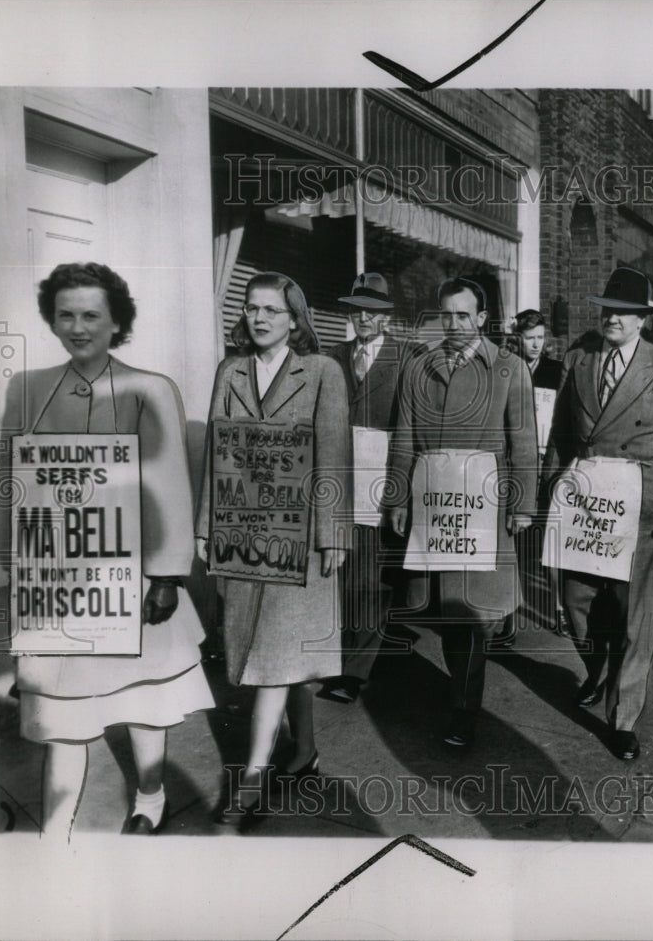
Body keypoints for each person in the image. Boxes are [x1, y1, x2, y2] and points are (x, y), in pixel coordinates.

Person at [2, 262, 214, 839]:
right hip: (57, 579)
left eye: (91, 314)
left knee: (144, 697)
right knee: (61, 708)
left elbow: (171, 480)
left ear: (117, 321)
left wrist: (167, 574)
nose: (77, 326)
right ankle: (54, 830)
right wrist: (15, 566)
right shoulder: (27, 389)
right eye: (65, 314)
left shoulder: (149, 388)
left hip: (135, 577)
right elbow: (10, 484)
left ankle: (151, 793)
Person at [195, 271, 350, 830]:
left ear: (294, 319)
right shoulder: (229, 371)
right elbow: (216, 449)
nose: (259, 318)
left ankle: (254, 776)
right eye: (251, 308)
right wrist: (206, 524)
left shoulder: (323, 372)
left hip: (301, 537)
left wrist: (334, 532)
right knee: (275, 654)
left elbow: (334, 454)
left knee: (273, 657)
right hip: (241, 533)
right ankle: (304, 750)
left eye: (270, 310)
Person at [545, 267, 653, 761]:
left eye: (624, 313)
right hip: (585, 507)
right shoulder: (579, 359)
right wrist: (550, 487)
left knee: (634, 618)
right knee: (576, 601)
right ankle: (598, 664)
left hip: (641, 508)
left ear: (642, 322)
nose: (613, 318)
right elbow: (561, 434)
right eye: (608, 309)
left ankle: (623, 719)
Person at [388, 277, 538, 748]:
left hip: (484, 510)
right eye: (444, 315)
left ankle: (463, 711)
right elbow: (404, 435)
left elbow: (525, 443)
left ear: (481, 318)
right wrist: (396, 498)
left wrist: (524, 504)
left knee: (470, 612)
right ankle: (460, 691)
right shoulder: (419, 367)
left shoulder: (509, 369)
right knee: (445, 611)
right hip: (434, 510)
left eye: (462, 315)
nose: (452, 324)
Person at [319, 272, 409, 704]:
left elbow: (411, 428)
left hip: (378, 480)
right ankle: (336, 657)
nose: (363, 318)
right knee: (336, 574)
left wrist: (400, 489)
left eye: (373, 312)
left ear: (386, 317)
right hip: (336, 480)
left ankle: (354, 672)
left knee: (369, 580)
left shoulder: (405, 359)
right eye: (357, 310)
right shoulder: (331, 356)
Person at [497, 309, 567, 646]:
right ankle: (508, 619)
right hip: (516, 465)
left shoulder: (556, 372)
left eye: (541, 337)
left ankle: (558, 608)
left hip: (548, 463)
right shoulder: (506, 368)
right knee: (512, 543)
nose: (536, 344)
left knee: (551, 541)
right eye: (530, 338)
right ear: (517, 338)